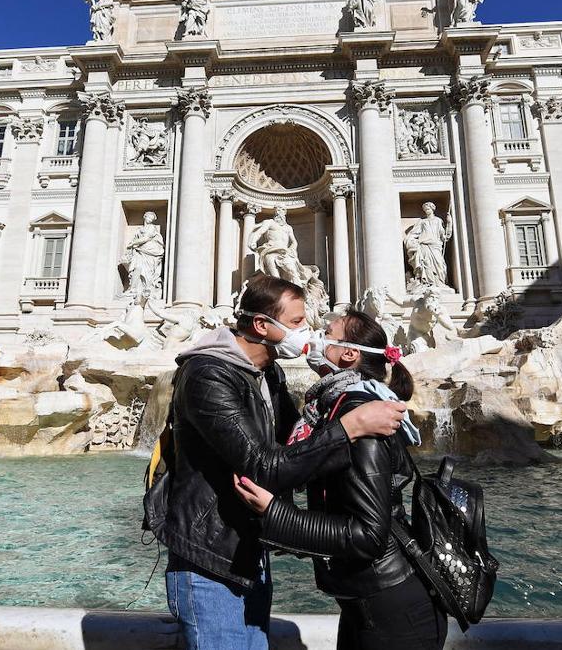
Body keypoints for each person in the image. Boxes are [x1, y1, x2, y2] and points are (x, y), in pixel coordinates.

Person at [160, 275, 409, 649]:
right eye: (296, 323)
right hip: (207, 557)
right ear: (262, 326)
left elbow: (298, 446)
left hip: (249, 548)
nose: (306, 333)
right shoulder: (208, 374)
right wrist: (347, 427)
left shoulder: (267, 372)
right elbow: (263, 467)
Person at [234, 309, 448, 650]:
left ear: (348, 353)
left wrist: (276, 514)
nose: (315, 337)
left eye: (326, 331)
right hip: (367, 603)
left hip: (394, 612)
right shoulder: (336, 408)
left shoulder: (361, 416)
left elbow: (368, 536)